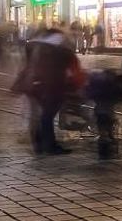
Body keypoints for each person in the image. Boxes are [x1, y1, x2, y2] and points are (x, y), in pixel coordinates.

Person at [17, 25, 80, 156]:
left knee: (42, 115)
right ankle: (49, 145)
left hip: (36, 85)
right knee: (47, 115)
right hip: (52, 85)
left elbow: (28, 66)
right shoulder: (60, 48)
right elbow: (71, 68)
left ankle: (39, 144)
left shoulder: (35, 45)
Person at [85, 66, 122, 159]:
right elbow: (121, 95)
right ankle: (107, 153)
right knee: (108, 132)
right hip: (108, 113)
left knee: (103, 132)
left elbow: (88, 92)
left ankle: (104, 152)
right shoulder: (113, 88)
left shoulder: (97, 87)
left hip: (99, 111)